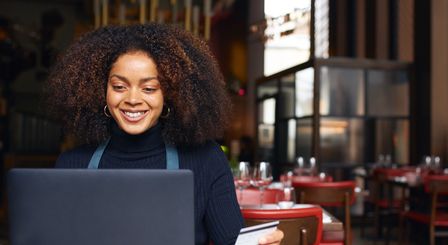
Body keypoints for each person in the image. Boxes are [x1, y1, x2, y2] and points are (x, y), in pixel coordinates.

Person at [45, 23, 283, 245]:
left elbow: (232, 242)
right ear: (101, 90)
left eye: (149, 88)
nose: (133, 99)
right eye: (119, 86)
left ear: (170, 94)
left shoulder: (206, 160)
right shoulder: (72, 163)